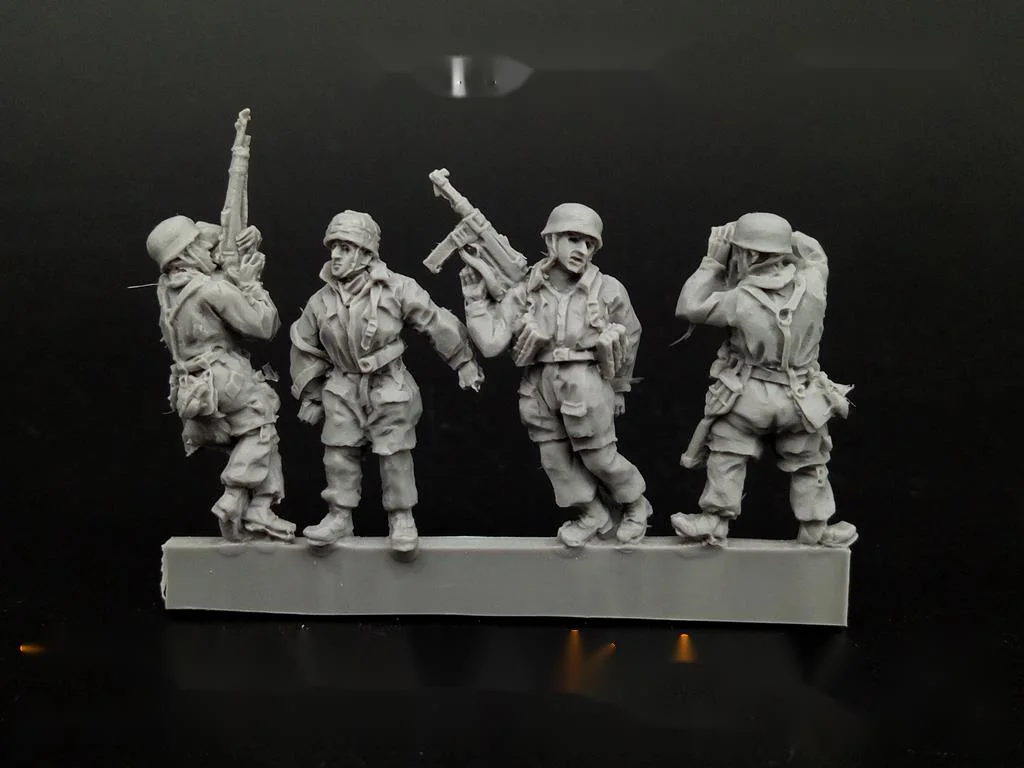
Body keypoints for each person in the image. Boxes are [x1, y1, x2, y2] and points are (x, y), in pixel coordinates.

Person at [459, 203, 653, 548]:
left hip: (585, 380)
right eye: (573, 239)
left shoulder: (607, 289)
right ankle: (592, 513)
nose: (582, 250)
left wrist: (620, 387)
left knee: (600, 457)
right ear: (552, 241)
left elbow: (631, 335)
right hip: (539, 384)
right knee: (555, 460)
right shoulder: (525, 290)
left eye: (589, 244)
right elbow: (491, 343)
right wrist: (475, 299)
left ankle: (636, 504)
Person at [290, 210, 483, 553]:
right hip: (342, 386)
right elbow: (304, 346)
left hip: (387, 383)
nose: (336, 255)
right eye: (333, 247)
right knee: (338, 454)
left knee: (394, 454)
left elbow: (434, 321)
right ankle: (339, 515)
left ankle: (401, 517)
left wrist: (463, 362)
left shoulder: (397, 288)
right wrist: (312, 395)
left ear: (366, 253)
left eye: (345, 248)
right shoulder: (321, 301)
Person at [672, 212, 857, 547]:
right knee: (809, 463)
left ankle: (715, 520)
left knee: (727, 454)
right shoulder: (814, 281)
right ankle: (816, 527)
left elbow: (689, 305)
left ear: (750, 255)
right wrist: (785, 236)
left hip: (749, 396)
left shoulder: (739, 299)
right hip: (802, 398)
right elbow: (814, 253)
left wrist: (713, 261)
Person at [146, 215, 295, 541]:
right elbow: (264, 325)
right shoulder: (213, 290)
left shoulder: (166, 288)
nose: (208, 249)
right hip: (223, 380)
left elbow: (212, 237)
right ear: (186, 253)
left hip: (191, 386)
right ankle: (234, 496)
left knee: (261, 437)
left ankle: (261, 507)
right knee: (260, 428)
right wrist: (251, 283)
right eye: (199, 246)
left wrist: (245, 240)